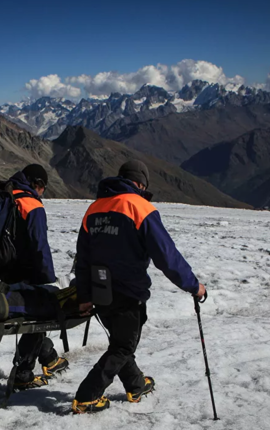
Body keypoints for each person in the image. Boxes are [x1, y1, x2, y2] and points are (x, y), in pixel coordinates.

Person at [71, 160, 207, 414]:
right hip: (128, 291)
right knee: (123, 346)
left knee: (121, 342)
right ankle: (87, 396)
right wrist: (193, 285)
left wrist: (85, 295)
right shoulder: (139, 207)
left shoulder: (94, 208)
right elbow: (166, 255)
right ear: (141, 183)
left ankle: (136, 385)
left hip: (101, 290)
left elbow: (83, 258)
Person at [0, 164, 69, 389]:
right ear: (38, 184)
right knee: (40, 313)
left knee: (34, 315)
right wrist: (48, 278)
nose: (42, 193)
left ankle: (49, 357)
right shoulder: (31, 204)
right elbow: (39, 245)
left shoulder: (0, 196)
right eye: (43, 188)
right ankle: (23, 373)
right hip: (21, 273)